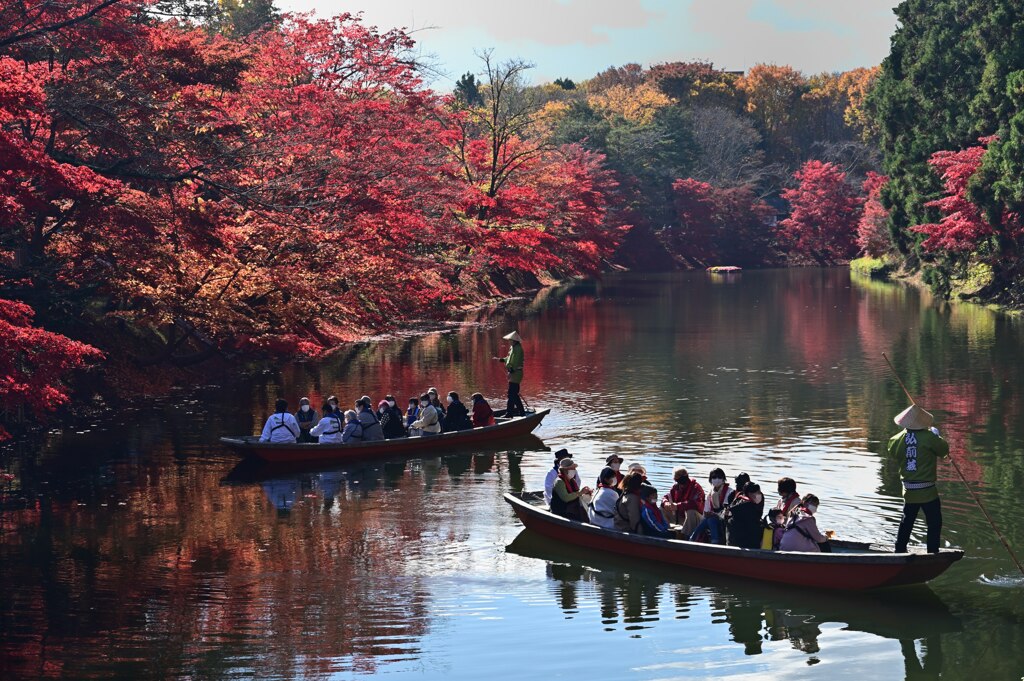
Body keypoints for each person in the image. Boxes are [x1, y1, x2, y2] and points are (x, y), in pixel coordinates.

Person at [888, 403, 949, 553]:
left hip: (909, 490)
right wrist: (937, 436)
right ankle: (932, 551)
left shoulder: (895, 439)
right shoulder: (929, 437)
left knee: (907, 520)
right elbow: (944, 451)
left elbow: (893, 453)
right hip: (927, 490)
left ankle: (900, 549)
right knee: (934, 522)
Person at [688, 468, 735, 544]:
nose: (717, 479)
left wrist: (715, 514)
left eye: (719, 477)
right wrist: (708, 514)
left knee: (711, 520)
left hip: (725, 520)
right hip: (713, 518)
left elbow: (729, 511)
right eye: (714, 477)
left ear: (723, 479)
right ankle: (693, 539)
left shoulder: (730, 492)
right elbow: (706, 511)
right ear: (710, 480)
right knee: (708, 520)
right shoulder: (710, 493)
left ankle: (713, 542)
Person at [662, 467, 705, 537]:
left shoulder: (696, 487)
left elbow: (695, 504)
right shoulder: (676, 487)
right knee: (662, 509)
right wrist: (666, 503)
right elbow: (666, 496)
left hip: (695, 519)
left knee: (690, 512)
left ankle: (685, 536)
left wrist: (677, 506)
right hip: (680, 516)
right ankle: (668, 532)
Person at [493, 330, 525, 417]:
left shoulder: (518, 349)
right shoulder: (513, 348)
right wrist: (502, 359)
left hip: (516, 373)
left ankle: (509, 413)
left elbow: (516, 361)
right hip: (513, 372)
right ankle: (521, 411)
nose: (509, 341)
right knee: (513, 394)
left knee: (511, 394)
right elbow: (509, 358)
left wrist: (510, 371)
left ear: (514, 340)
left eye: (510, 340)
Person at [726, 482, 765, 549]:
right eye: (758, 493)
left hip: (732, 542)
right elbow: (753, 526)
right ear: (750, 494)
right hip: (745, 544)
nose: (760, 495)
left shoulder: (738, 502)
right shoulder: (748, 508)